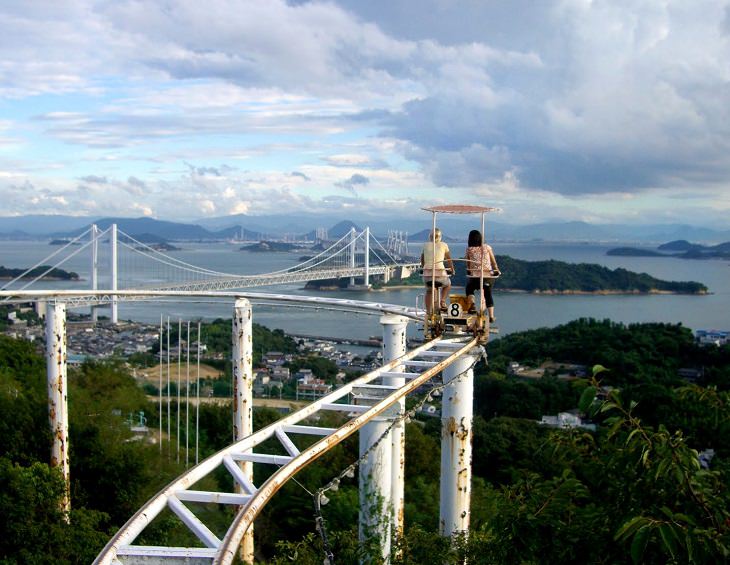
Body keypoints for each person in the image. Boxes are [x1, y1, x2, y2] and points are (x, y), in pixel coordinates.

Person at [464, 229, 500, 322]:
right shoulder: (487, 247)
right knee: (488, 294)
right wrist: (497, 270)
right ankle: (491, 316)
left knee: (469, 288)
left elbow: (468, 264)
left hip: (475, 278)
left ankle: (472, 305)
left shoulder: (469, 249)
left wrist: (469, 271)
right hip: (487, 277)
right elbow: (493, 262)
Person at [420, 228, 454, 314]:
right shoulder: (444, 245)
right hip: (440, 276)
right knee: (448, 284)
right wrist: (452, 269)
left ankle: (428, 311)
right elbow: (449, 259)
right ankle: (442, 301)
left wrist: (423, 267)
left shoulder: (425, 245)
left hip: (427, 275)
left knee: (429, 290)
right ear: (440, 237)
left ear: (430, 237)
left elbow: (422, 260)